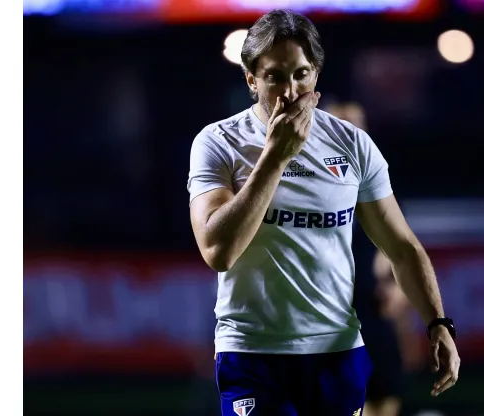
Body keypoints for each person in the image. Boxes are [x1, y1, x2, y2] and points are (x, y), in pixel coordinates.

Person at [187, 9, 460, 416]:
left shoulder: (352, 144)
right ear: (251, 79)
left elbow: (402, 247)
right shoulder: (218, 142)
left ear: (315, 73)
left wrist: (438, 323)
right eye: (274, 76)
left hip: (336, 352)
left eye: (300, 74)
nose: (289, 90)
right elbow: (217, 251)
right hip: (254, 353)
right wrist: (275, 158)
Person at [324, 101, 406, 416]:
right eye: (343, 125)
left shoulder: (378, 185)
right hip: (329, 317)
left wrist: (398, 290)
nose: (352, 133)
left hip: (374, 314)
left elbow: (399, 250)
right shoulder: (305, 182)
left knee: (385, 398)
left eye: (358, 125)